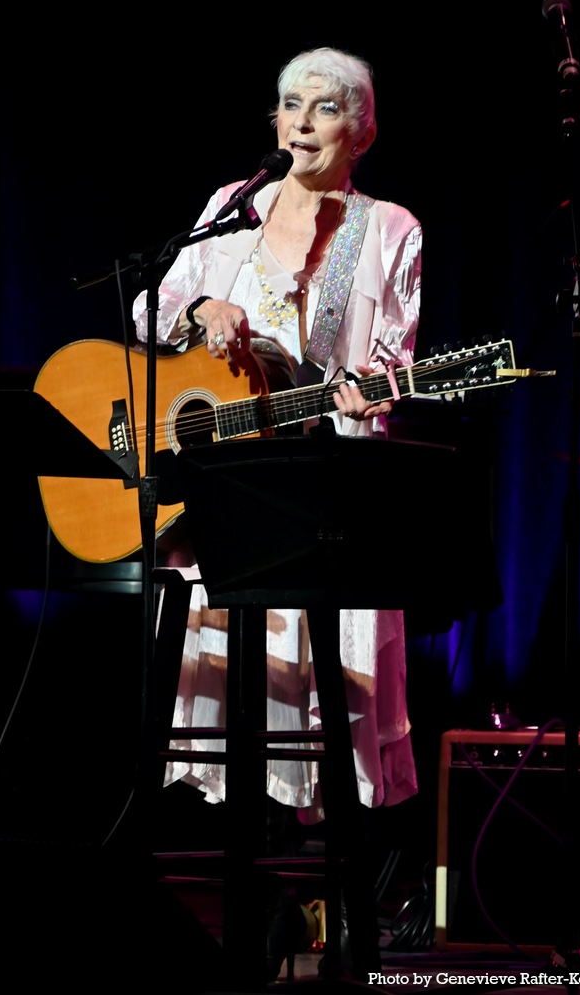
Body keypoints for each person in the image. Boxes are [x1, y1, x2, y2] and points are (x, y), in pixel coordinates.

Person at [133, 47, 421, 841]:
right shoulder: (236, 204)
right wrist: (199, 316)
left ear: (360, 132)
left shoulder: (388, 226)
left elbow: (394, 357)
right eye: (292, 104)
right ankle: (245, 874)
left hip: (324, 483)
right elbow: (150, 311)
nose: (302, 122)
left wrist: (368, 386)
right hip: (224, 481)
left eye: (326, 107)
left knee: (325, 704)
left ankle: (325, 890)